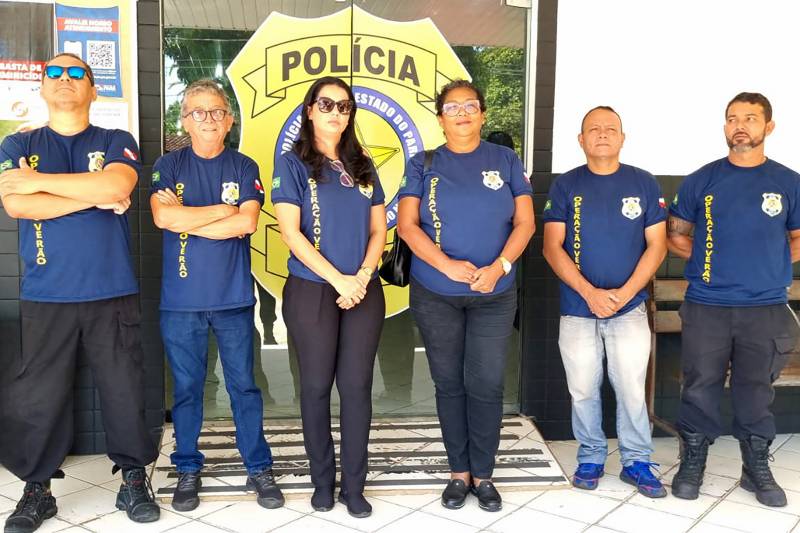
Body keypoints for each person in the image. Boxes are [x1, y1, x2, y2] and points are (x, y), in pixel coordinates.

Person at [0, 53, 160, 532]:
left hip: (111, 288)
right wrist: (93, 195)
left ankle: (133, 478)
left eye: (76, 73)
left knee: (123, 387)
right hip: (46, 292)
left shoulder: (115, 139)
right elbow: (16, 204)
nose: (64, 79)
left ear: (94, 89)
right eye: (54, 72)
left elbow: (116, 186)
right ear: (42, 88)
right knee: (40, 394)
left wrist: (40, 185)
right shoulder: (18, 143)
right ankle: (37, 489)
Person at [397, 79, 534, 512]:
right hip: (436, 292)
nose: (462, 113)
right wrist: (447, 266)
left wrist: (500, 267)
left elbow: (526, 223)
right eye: (452, 107)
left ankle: (484, 474)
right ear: (440, 119)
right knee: (449, 382)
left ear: (483, 114)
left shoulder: (505, 160)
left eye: (470, 105)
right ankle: (459, 472)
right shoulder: (423, 163)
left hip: (495, 293)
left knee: (487, 382)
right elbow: (407, 226)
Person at [149, 79, 283, 512]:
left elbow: (246, 223)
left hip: (233, 301)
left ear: (229, 121)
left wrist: (186, 219)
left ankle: (258, 467)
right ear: (185, 121)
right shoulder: (168, 165)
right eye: (198, 112)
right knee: (188, 389)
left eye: (216, 111)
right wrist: (222, 212)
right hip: (180, 302)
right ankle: (188, 467)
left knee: (244, 387)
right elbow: (162, 218)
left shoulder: (244, 166)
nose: (208, 119)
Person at [667, 92, 800, 508]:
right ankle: (693, 463)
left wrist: (769, 262)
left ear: (768, 126)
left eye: (750, 118)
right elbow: (675, 235)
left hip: (765, 306)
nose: (740, 126)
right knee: (699, 386)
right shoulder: (701, 180)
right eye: (732, 118)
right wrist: (716, 260)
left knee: (755, 390)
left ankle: (754, 467)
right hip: (708, 304)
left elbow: (798, 238)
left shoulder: (788, 182)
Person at [272, 76, 386, 518]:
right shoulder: (293, 163)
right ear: (309, 110)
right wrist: (340, 280)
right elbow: (291, 233)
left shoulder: (363, 164)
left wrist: (361, 276)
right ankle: (323, 482)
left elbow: (378, 231)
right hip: (313, 290)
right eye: (326, 104)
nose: (336, 112)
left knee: (356, 389)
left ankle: (354, 487)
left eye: (344, 106)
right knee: (316, 388)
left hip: (363, 291)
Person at [542, 106, 668, 497]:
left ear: (622, 138)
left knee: (631, 389)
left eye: (610, 128)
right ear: (581, 140)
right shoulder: (566, 185)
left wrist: (624, 295)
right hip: (578, 310)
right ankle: (591, 456)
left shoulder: (643, 183)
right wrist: (590, 294)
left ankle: (636, 461)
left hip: (629, 310)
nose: (602, 134)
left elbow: (658, 245)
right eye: (593, 129)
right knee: (582, 389)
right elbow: (551, 247)